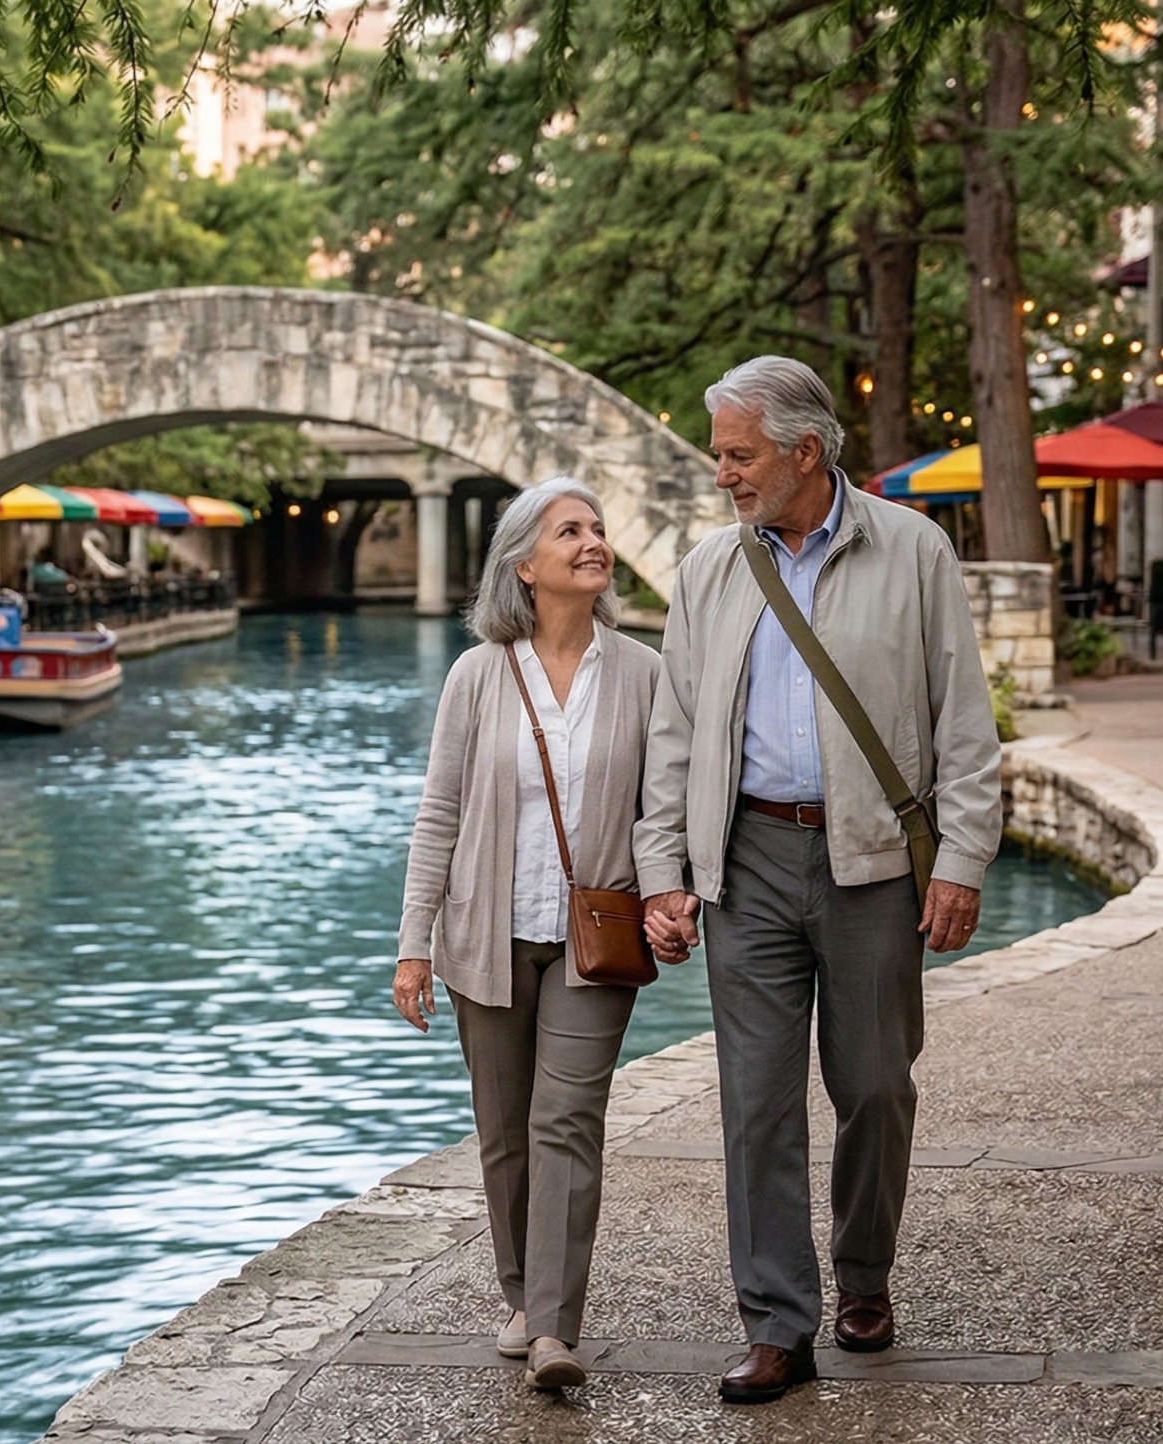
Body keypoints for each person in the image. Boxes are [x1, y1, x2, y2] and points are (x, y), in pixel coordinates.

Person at [635, 357, 1003, 1404]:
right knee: (753, 1104)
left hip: (874, 863)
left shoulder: (914, 551)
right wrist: (662, 870)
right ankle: (777, 1324)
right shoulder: (710, 570)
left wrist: (963, 860)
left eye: (738, 454)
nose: (722, 474)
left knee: (875, 1087)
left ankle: (863, 1274)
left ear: (805, 450)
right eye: (719, 453)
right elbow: (675, 734)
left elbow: (961, 725)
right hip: (744, 861)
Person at [393, 477, 664, 1392]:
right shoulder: (476, 674)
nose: (593, 542)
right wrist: (412, 941)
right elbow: (438, 814)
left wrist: (669, 892)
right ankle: (520, 1292)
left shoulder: (643, 672)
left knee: (565, 1121)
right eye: (570, 531)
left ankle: (552, 1326)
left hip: (597, 935)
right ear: (525, 565)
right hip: (486, 932)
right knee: (503, 1132)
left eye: (596, 528)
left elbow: (658, 807)